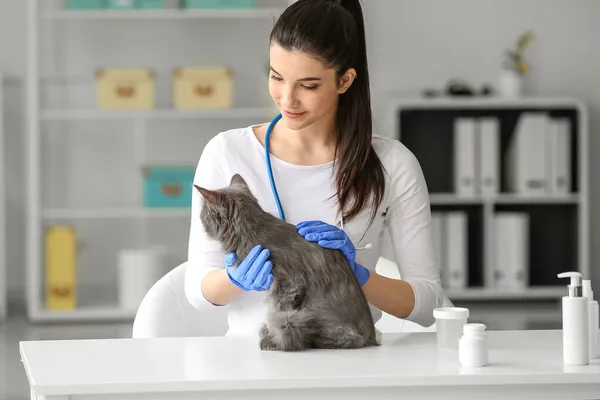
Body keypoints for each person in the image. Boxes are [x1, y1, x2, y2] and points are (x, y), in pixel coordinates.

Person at [186, 0, 446, 337]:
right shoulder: (227, 153)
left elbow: (430, 306)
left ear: (345, 80)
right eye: (276, 77)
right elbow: (198, 294)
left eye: (308, 86)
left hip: (349, 359)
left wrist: (357, 274)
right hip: (253, 362)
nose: (287, 99)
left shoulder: (392, 165)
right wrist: (234, 279)